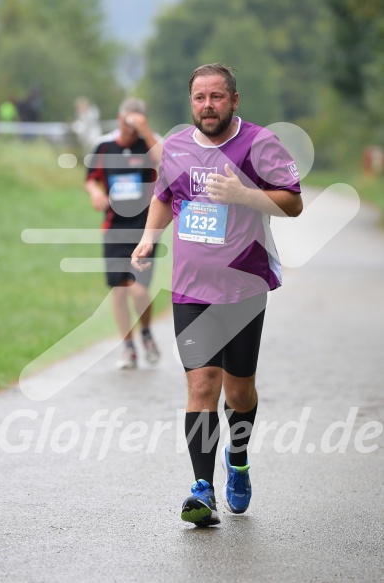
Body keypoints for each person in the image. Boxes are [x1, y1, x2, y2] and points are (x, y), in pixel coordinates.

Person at [131, 63, 303, 527]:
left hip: (243, 287)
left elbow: (293, 201)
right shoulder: (178, 146)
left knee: (239, 391)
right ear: (191, 102)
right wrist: (149, 236)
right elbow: (166, 195)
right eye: (200, 98)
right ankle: (202, 489)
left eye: (217, 97)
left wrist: (244, 195)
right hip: (190, 289)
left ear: (234, 100)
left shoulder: (259, 144)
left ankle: (239, 458)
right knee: (201, 385)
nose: (208, 106)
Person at [85, 97, 163, 369]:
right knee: (119, 291)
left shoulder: (150, 144)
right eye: (127, 124)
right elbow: (91, 177)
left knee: (139, 292)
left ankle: (146, 332)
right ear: (119, 119)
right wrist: (95, 192)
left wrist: (146, 131)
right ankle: (128, 347)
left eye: (136, 126)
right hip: (114, 228)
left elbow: (169, 165)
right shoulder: (104, 146)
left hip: (145, 229)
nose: (131, 131)